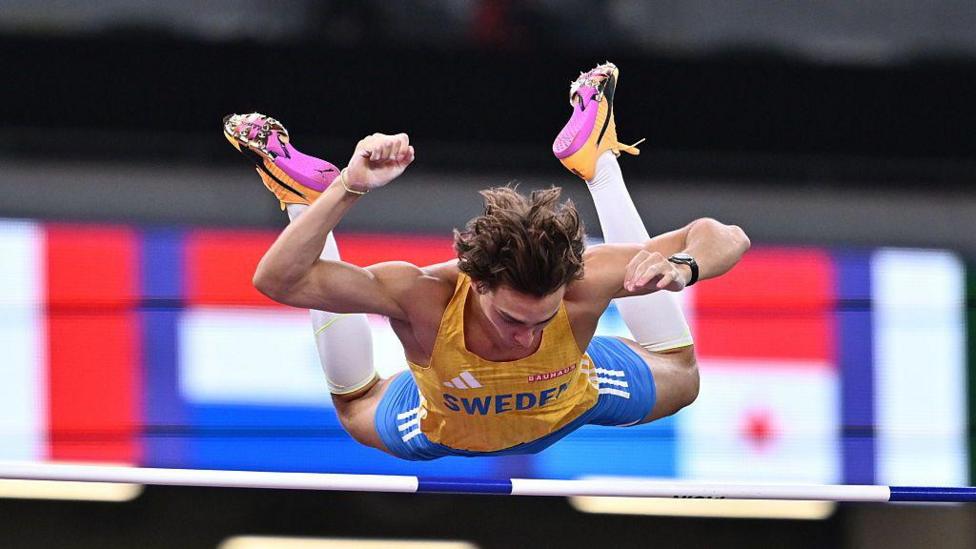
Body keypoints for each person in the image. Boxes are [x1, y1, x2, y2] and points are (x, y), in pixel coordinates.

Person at [222, 62, 750, 460]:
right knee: (356, 409)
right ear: (476, 283)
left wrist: (681, 268)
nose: (525, 339)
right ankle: (307, 201)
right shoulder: (423, 296)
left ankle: (598, 162)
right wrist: (348, 187)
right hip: (442, 426)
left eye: (541, 319)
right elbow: (280, 280)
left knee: (683, 378)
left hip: (571, 399)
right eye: (512, 319)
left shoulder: (582, 284)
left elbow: (725, 236)